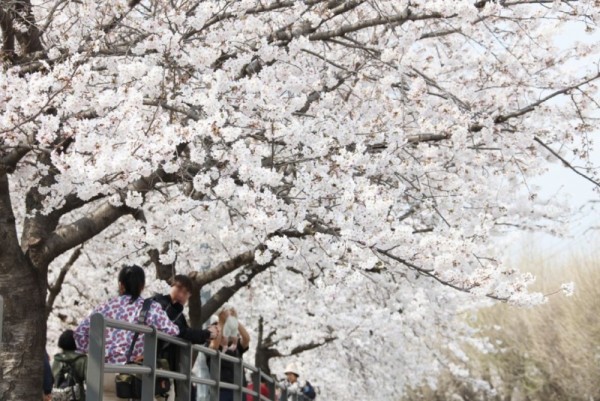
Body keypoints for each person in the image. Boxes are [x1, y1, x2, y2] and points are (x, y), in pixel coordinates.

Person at [74, 265, 179, 401]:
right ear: (142, 285)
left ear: (121, 285)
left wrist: (94, 351)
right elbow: (172, 331)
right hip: (133, 375)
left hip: (104, 371)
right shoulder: (151, 307)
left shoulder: (105, 306)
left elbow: (80, 332)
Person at [152, 275, 219, 400]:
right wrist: (206, 334)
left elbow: (186, 332)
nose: (182, 295)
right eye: (179, 289)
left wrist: (206, 334)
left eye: (186, 293)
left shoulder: (177, 313)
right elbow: (180, 331)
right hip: (156, 365)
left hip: (164, 367)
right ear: (170, 286)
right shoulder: (160, 304)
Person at [208, 305, 251, 401]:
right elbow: (214, 344)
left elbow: (246, 338)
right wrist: (221, 321)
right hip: (222, 389)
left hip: (240, 389)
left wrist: (233, 319)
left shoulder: (235, 346)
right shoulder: (212, 344)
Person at [52, 329, 87, 401]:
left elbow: (53, 377)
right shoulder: (83, 359)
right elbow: (89, 381)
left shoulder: (57, 359)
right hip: (77, 397)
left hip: (59, 397)